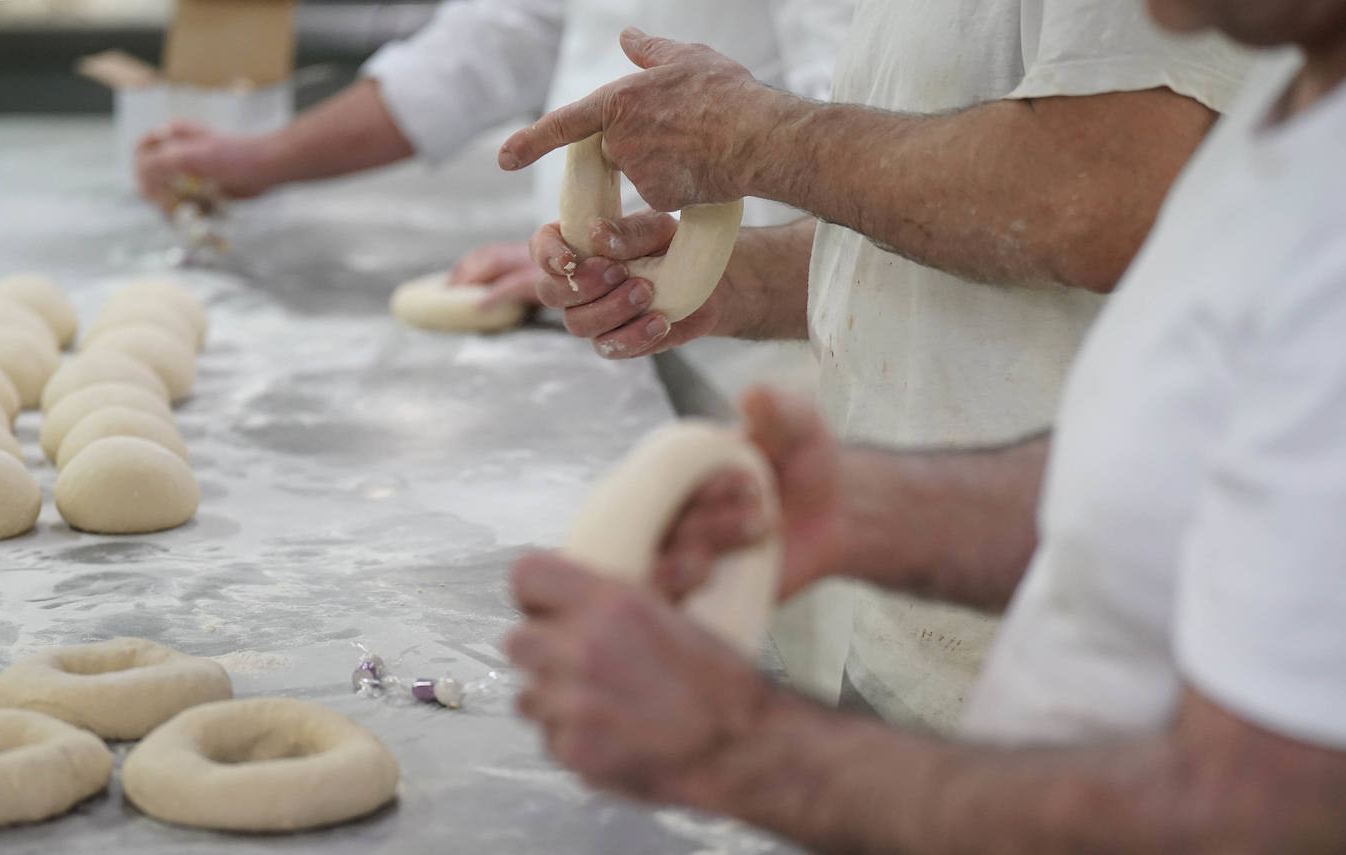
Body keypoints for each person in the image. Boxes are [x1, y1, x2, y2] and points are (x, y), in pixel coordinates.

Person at [505, 0, 1346, 846]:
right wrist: (865, 510)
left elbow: (1263, 811)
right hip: (974, 706)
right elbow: (1193, 478)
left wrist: (739, 750)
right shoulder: (1294, 135)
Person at [133, 0, 851, 306]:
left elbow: (851, 124)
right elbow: (493, 38)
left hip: (759, 320)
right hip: (595, 295)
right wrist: (265, 158)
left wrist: (678, 268)